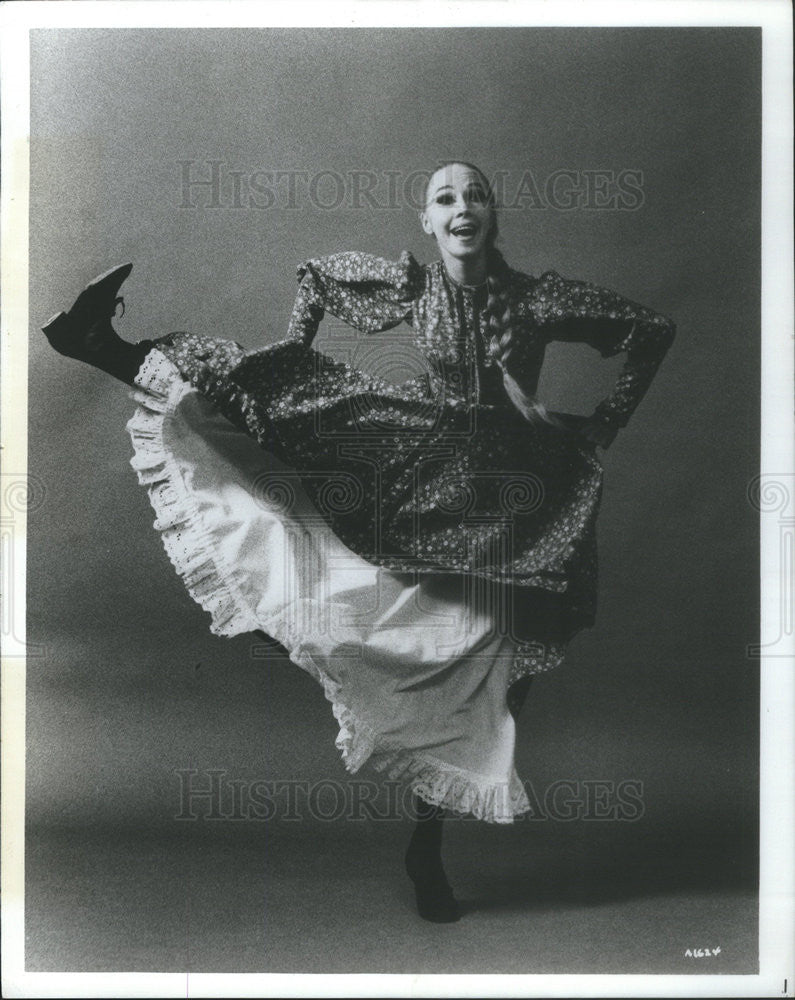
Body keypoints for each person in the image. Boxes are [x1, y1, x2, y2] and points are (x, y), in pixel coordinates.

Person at [41, 161, 676, 924]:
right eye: (445, 197)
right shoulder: (418, 285)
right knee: (274, 444)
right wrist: (291, 352)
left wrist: (604, 419)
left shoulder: (538, 297)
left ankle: (425, 845)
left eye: (475, 195)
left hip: (505, 502)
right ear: (426, 221)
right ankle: (103, 346)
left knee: (494, 674)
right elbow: (319, 277)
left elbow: (652, 329)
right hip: (415, 462)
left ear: (494, 215)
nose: (461, 207)